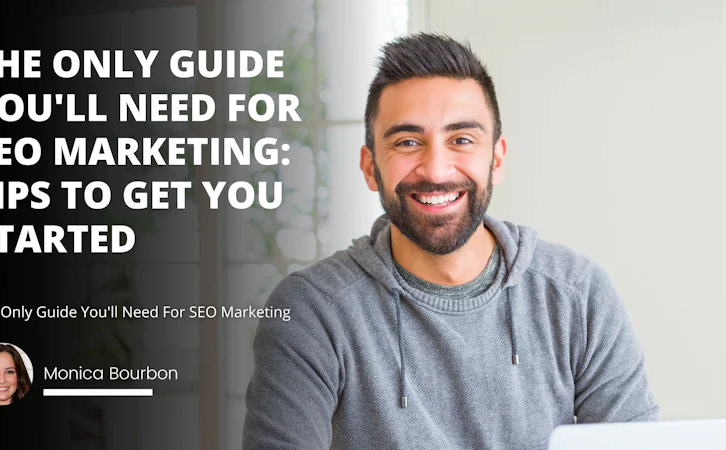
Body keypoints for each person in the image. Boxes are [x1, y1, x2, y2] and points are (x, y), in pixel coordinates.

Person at [242, 32, 659, 449]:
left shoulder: (579, 296)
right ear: (371, 168)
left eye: (461, 140)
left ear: (495, 159)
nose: (437, 170)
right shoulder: (313, 312)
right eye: (407, 142)